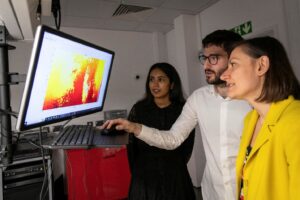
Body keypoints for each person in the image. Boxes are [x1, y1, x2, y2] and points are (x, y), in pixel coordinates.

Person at [102, 30, 252, 200]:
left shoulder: (254, 100)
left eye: (214, 58)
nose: (205, 66)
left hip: (251, 191)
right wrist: (134, 127)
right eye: (204, 58)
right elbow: (173, 139)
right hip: (213, 193)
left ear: (234, 59)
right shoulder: (198, 99)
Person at [220, 36, 300, 200]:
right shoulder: (251, 120)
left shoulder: (295, 121)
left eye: (233, 64)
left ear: (261, 65)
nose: (223, 75)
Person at [126, 62, 195, 200]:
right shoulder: (139, 109)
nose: (155, 85)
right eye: (151, 79)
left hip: (175, 177)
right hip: (144, 178)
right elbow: (131, 148)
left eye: (161, 79)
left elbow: (187, 147)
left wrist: (174, 165)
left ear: (172, 84)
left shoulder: (184, 110)